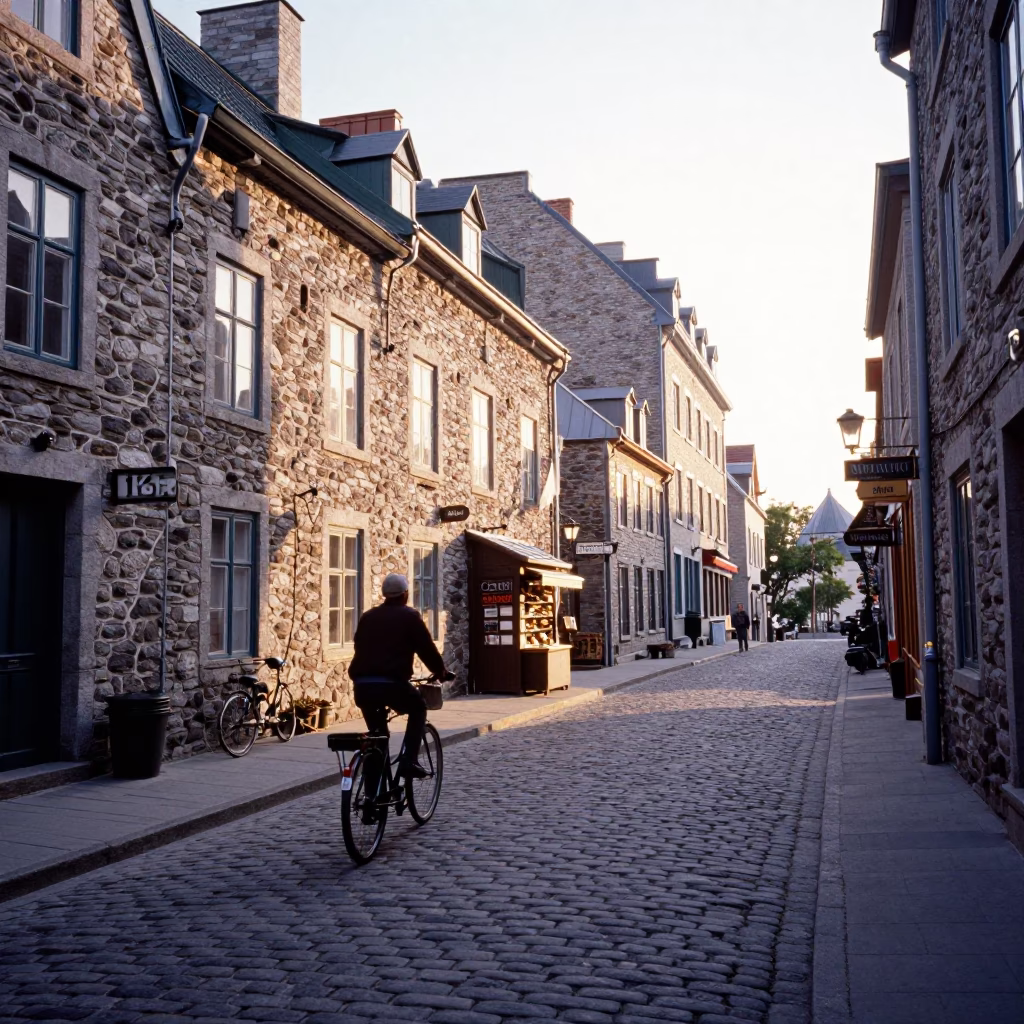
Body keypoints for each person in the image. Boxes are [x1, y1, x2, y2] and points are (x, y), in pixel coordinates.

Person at [349, 573, 452, 785]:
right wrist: (440, 672)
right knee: (418, 708)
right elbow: (426, 650)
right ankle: (409, 760)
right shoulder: (409, 617)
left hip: (363, 686)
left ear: (385, 595)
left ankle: (371, 797)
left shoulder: (367, 617)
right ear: (405, 595)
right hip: (392, 685)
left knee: (377, 736)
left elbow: (359, 645)